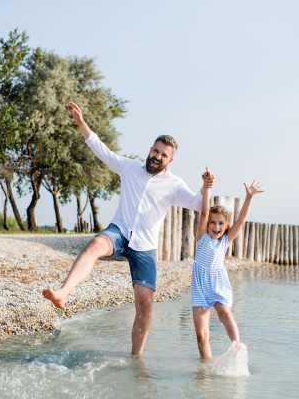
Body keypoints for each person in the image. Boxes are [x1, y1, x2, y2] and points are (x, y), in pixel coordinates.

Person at [42, 102, 215, 354]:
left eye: (163, 155)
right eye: (155, 150)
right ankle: (62, 293)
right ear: (150, 149)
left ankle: (136, 359)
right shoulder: (129, 167)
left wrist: (207, 187)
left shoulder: (174, 185)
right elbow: (101, 149)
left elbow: (200, 205)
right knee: (95, 245)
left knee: (145, 307)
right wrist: (81, 123)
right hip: (120, 231)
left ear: (170, 160)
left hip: (145, 245)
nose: (157, 156)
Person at [191, 167, 263, 358]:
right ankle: (205, 369)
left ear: (226, 226)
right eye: (213, 223)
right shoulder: (201, 237)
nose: (216, 226)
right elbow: (205, 211)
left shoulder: (225, 240)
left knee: (225, 314)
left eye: (221, 223)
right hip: (200, 285)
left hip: (218, 281)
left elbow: (240, 220)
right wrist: (206, 187)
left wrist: (249, 198)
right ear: (207, 225)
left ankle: (237, 346)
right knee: (201, 334)